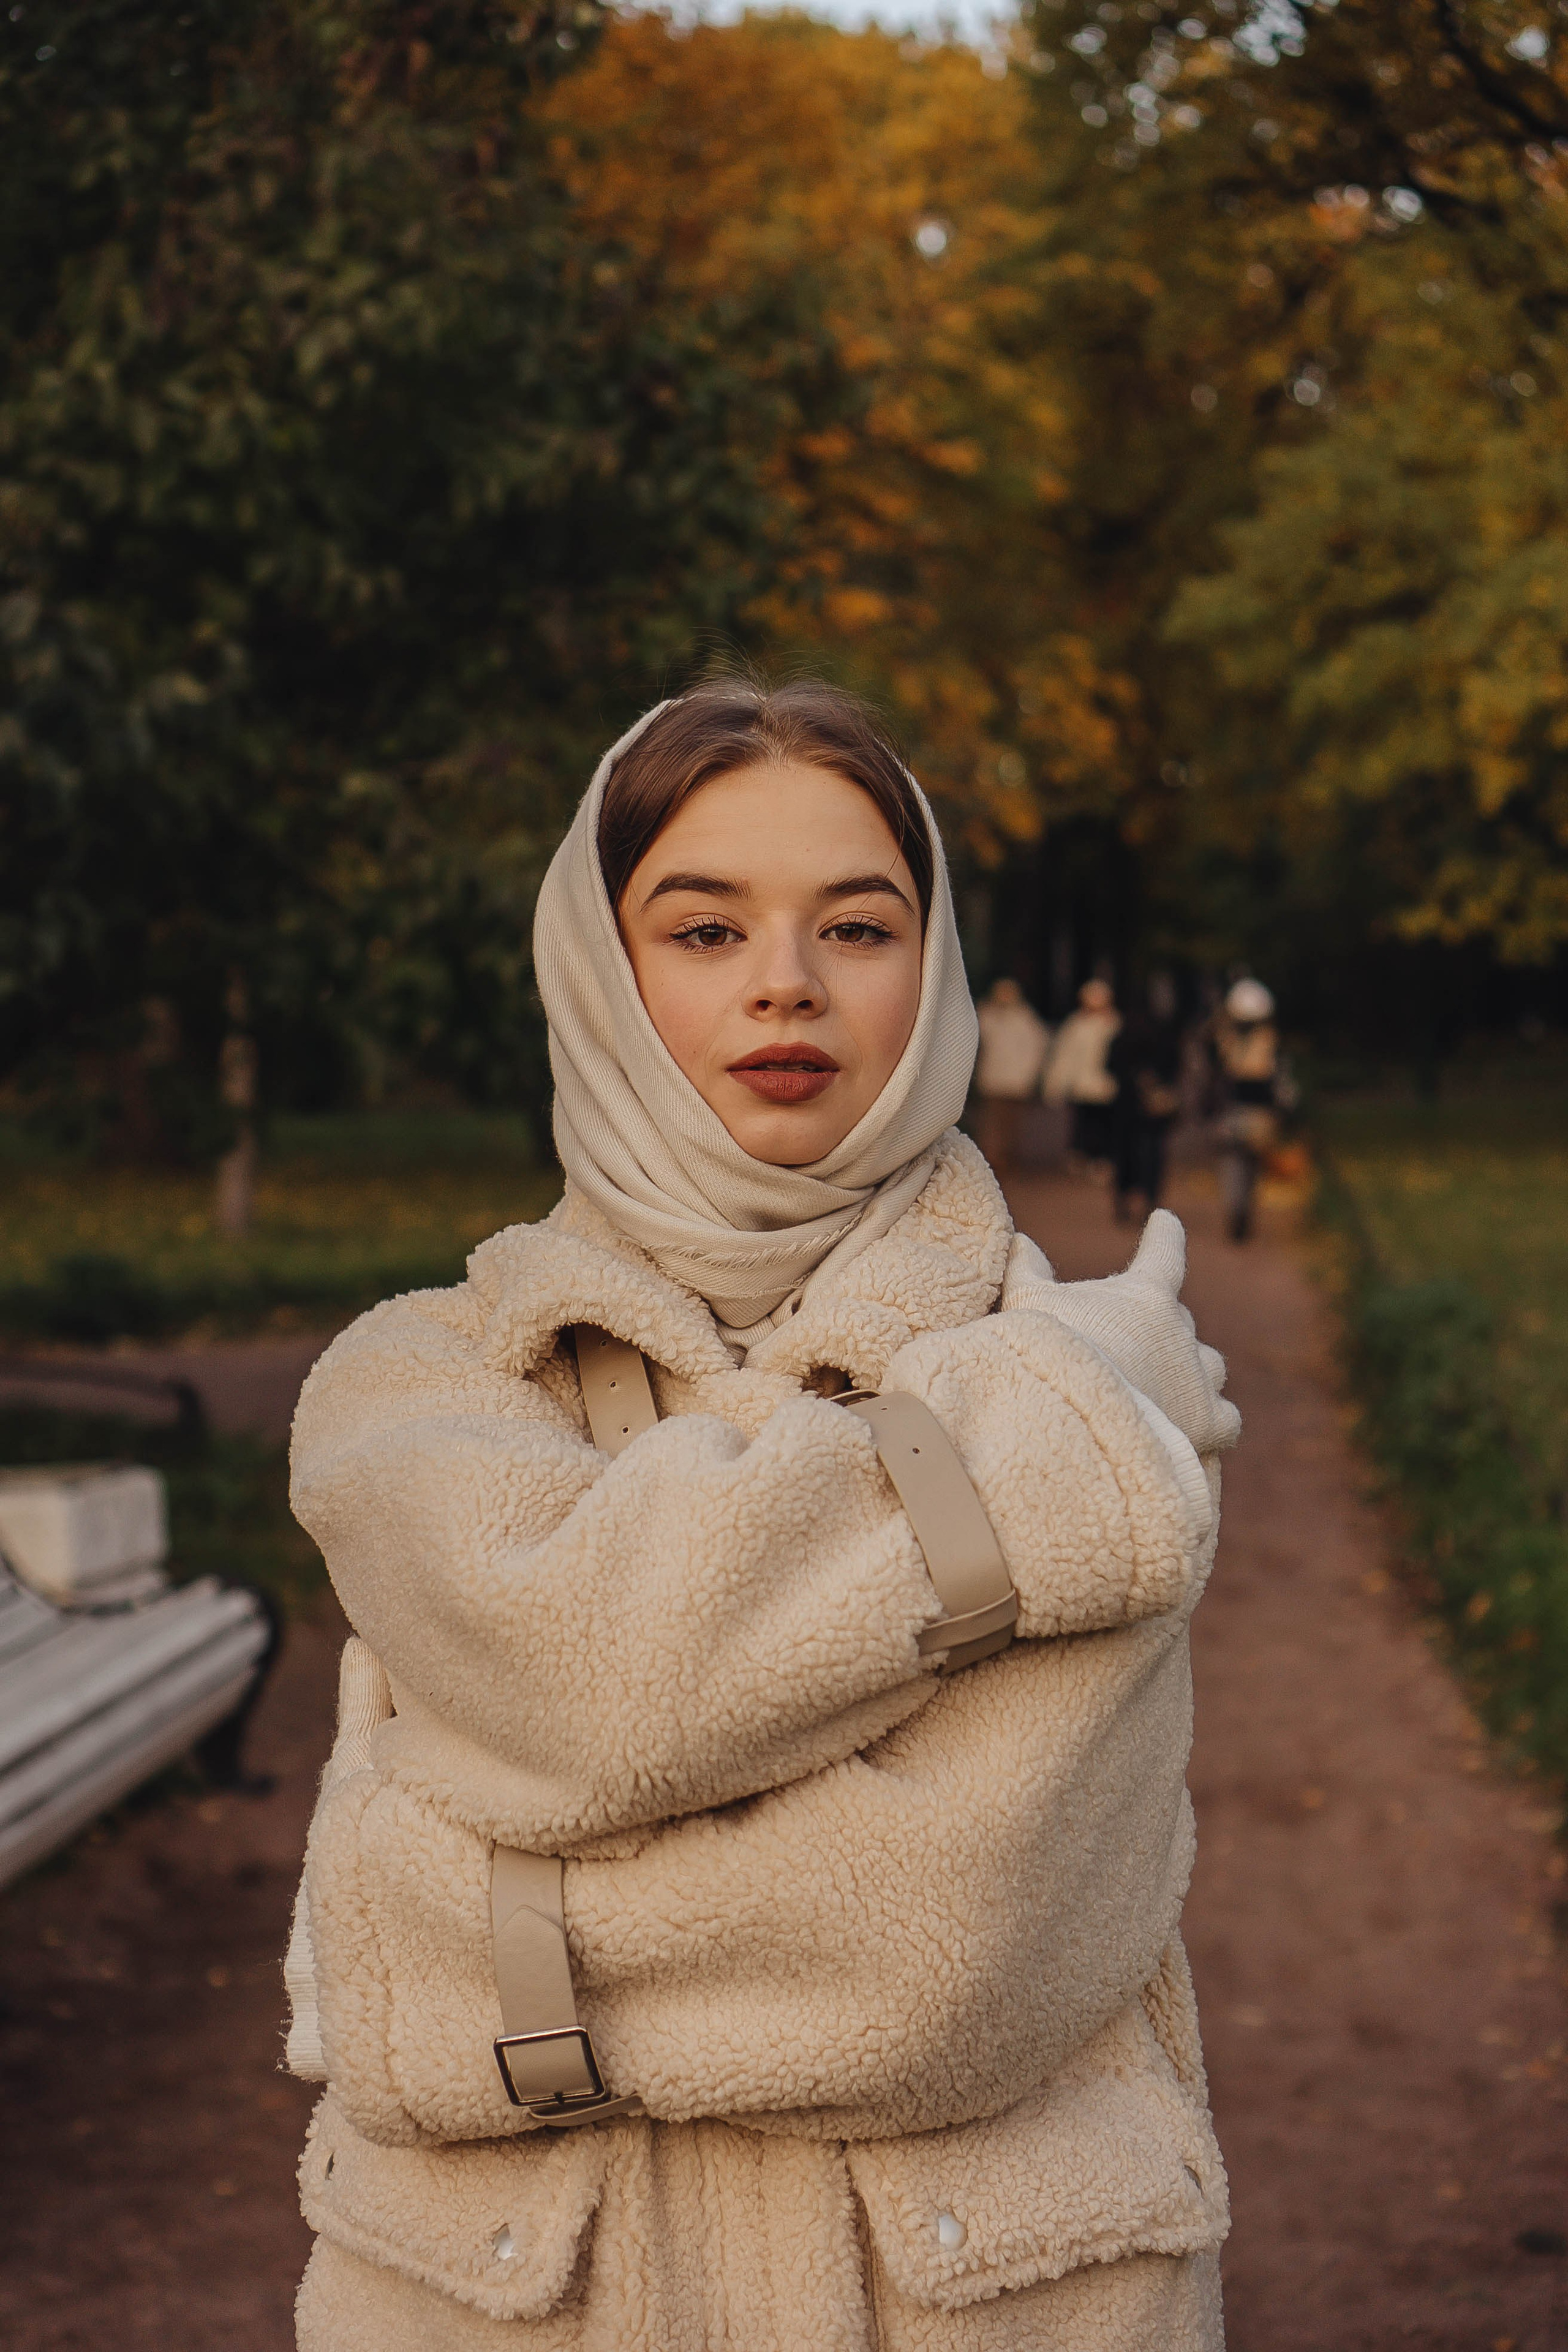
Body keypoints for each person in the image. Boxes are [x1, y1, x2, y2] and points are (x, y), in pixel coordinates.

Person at [283, 677, 1239, 2351]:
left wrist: (454, 1965)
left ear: (929, 972)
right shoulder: (412, 1385)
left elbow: (952, 1952)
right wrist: (1019, 1454)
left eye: (855, 928)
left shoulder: (1098, 1381)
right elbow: (600, 1685)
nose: (785, 982)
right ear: (600, 969)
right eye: (705, 929)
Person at [1209, 977, 1290, 1243]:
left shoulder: (1223, 1039)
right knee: (1247, 1165)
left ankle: (1237, 1209)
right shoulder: (1270, 1041)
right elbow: (1281, 1085)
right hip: (1256, 1114)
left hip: (1236, 1112)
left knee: (1235, 1164)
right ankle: (1240, 1210)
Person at [1107, 981, 1184, 1226]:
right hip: (1152, 1109)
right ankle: (1150, 1202)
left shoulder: (1123, 1033)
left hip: (1127, 1106)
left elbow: (1110, 1065)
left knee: (1125, 1154)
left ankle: (1123, 1200)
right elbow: (1175, 1066)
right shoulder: (1163, 1033)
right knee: (1152, 1154)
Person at [974, 976, 1052, 1179]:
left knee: (1012, 1123)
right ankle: (992, 1157)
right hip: (993, 1079)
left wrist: (1029, 1074)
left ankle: (1009, 1157)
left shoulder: (1025, 1019)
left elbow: (1037, 1048)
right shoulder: (988, 1016)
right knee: (992, 1121)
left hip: (1016, 1081)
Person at [1043, 976, 1121, 1169]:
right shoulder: (1075, 1025)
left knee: (1105, 1124)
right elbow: (1064, 1056)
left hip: (1107, 1085)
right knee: (1082, 1123)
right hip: (1081, 1086)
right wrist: (1055, 1083)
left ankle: (1102, 1159)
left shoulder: (1114, 1024)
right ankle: (1081, 1157)